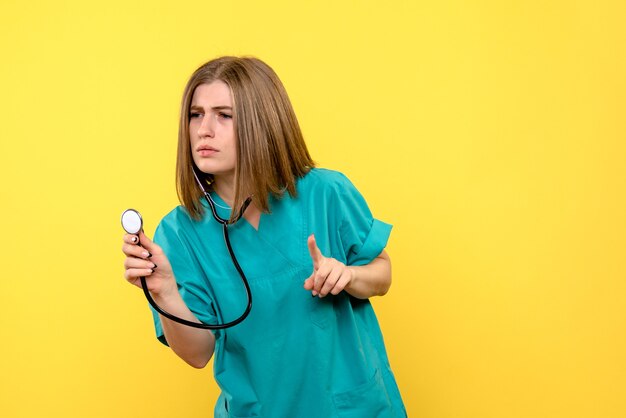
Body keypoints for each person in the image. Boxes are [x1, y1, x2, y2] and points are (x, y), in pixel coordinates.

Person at [121, 56, 406, 417]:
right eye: (196, 114)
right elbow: (197, 353)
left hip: (350, 407)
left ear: (261, 122)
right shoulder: (179, 233)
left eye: (224, 115)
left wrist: (350, 276)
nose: (203, 130)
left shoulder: (326, 192)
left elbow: (382, 274)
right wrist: (165, 291)